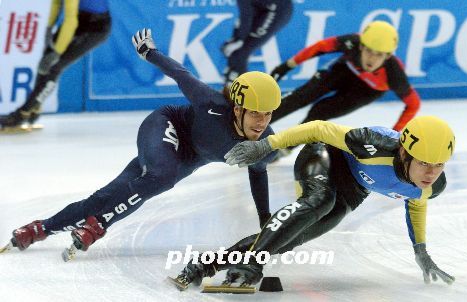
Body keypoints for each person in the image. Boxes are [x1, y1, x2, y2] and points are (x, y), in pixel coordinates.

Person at [3, 29, 281, 256]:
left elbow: (259, 173)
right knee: (162, 176)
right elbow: (181, 75)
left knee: (109, 195)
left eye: (268, 114)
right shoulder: (211, 104)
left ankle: (40, 229)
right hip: (167, 125)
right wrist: (150, 52)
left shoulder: (264, 144)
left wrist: (265, 220)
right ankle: (98, 225)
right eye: (255, 113)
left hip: (188, 157)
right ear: (237, 109)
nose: (261, 122)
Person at [173, 115, 456, 288]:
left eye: (439, 165)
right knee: (318, 201)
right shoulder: (372, 144)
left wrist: (421, 251)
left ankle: (203, 265)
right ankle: (252, 265)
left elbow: (416, 203)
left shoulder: (432, 185)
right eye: (424, 163)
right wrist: (265, 145)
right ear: (405, 153)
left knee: (294, 236)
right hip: (325, 156)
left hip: (353, 189)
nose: (431, 173)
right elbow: (320, 128)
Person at [268, 21, 421, 158]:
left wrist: (392, 137)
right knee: (302, 96)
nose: (371, 59)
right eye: (368, 51)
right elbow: (320, 47)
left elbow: (414, 104)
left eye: (379, 55)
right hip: (343, 70)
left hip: (366, 90)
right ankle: (253, 126)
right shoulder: (351, 42)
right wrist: (287, 65)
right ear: (360, 46)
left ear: (388, 56)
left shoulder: (394, 73)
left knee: (320, 112)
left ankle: (285, 148)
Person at [0, 0, 111, 130]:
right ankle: (34, 108)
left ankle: (22, 114)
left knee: (54, 65)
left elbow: (70, 21)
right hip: (81, 20)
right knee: (45, 61)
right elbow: (57, 3)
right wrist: (49, 27)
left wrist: (57, 51)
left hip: (96, 28)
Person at [222, 0, 293, 87]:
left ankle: (241, 91)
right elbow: (245, 15)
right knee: (236, 52)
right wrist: (236, 39)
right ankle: (233, 85)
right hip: (264, 8)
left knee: (241, 52)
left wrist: (238, 40)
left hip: (278, 9)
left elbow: (246, 16)